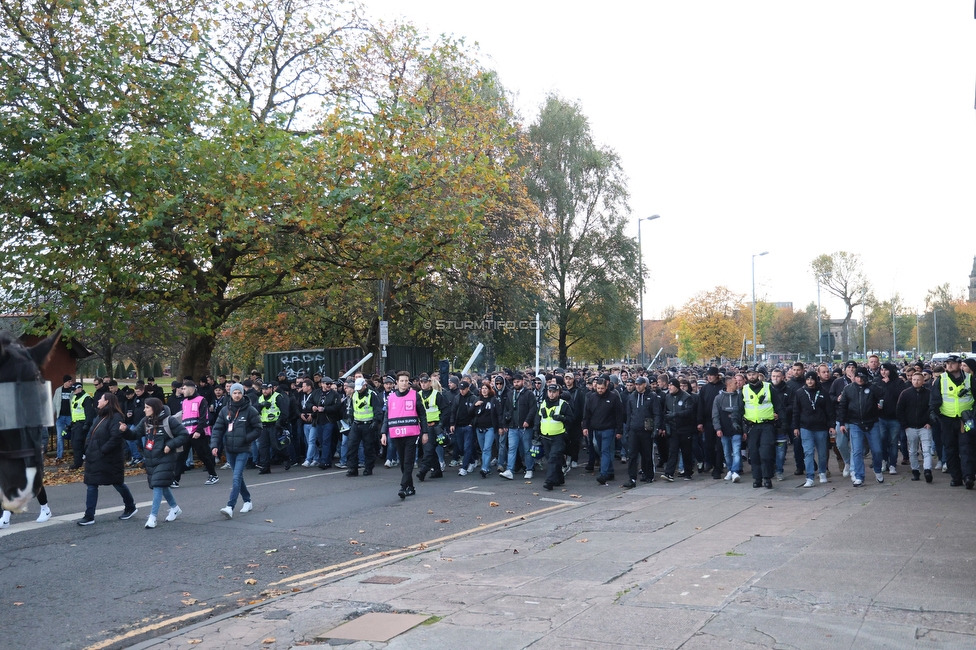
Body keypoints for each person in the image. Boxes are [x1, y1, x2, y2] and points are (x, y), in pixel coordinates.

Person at [121, 398, 188, 528]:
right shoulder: (146, 421)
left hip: (166, 458)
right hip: (151, 458)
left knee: (158, 485)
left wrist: (170, 445)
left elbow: (184, 434)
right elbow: (134, 434)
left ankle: (152, 517)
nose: (144, 409)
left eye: (147, 407)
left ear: (155, 408)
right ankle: (174, 508)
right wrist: (125, 431)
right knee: (161, 485)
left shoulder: (169, 420)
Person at [77, 393, 138, 525]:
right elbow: (92, 434)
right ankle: (89, 515)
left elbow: (115, 438)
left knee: (117, 483)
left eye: (101, 399)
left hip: (109, 458)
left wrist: (101, 451)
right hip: (95, 457)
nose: (98, 400)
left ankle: (130, 506)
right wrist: (88, 448)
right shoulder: (100, 415)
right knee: (92, 484)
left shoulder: (115, 417)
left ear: (107, 402)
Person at [210, 383, 263, 518]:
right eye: (235, 393)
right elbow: (217, 429)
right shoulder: (224, 410)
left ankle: (230, 506)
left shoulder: (250, 410)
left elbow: (258, 428)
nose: (237, 395)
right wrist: (214, 445)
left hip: (243, 449)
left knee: (236, 477)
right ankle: (247, 500)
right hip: (229, 449)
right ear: (231, 394)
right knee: (237, 477)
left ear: (242, 394)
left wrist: (246, 438)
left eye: (239, 392)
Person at [381, 371, 429, 499]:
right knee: (403, 463)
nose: (403, 383)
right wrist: (383, 433)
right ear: (397, 382)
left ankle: (403, 487)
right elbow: (387, 416)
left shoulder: (415, 395)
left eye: (406, 381)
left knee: (408, 462)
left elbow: (422, 415)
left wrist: (425, 433)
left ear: (409, 382)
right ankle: (411, 487)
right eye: (401, 381)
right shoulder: (391, 397)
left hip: (412, 434)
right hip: (396, 434)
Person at [929, 355, 974, 488]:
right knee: (950, 449)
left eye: (952, 363)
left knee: (967, 448)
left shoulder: (969, 379)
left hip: (965, 419)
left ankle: (969, 477)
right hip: (947, 419)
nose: (949, 365)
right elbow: (934, 399)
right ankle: (956, 477)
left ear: (959, 364)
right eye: (947, 363)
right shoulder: (941, 380)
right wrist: (933, 413)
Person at [737, 366, 784, 489]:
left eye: (753, 374)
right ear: (747, 376)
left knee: (766, 453)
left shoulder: (768, 387)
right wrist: (737, 424)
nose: (751, 376)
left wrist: (783, 422)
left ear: (758, 375)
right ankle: (757, 478)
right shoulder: (744, 390)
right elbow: (738, 410)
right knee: (754, 454)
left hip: (767, 425)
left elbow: (779, 406)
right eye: (749, 374)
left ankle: (767, 478)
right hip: (751, 426)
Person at [838, 367, 884, 487]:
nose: (860, 379)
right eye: (857, 377)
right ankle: (859, 476)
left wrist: (870, 384)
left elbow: (882, 394)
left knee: (877, 450)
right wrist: (842, 423)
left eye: (862, 377)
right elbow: (842, 406)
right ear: (854, 377)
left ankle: (877, 469)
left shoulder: (871, 387)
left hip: (872, 422)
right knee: (857, 451)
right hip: (855, 423)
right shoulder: (848, 389)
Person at [172, 380, 218, 487]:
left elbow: (203, 417)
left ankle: (213, 475)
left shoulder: (201, 400)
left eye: (184, 388)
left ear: (191, 389)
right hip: (186, 433)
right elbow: (183, 417)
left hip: (198, 433)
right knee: (181, 456)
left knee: (203, 455)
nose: (182, 391)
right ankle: (175, 479)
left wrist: (198, 431)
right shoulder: (184, 402)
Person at [792, 371, 834, 487]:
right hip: (806, 427)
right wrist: (795, 426)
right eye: (807, 379)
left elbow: (829, 410)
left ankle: (822, 472)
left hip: (821, 427)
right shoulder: (800, 393)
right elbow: (796, 411)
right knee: (808, 452)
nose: (810, 382)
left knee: (822, 452)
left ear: (816, 380)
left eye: (812, 379)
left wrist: (831, 425)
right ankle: (809, 477)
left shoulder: (823, 392)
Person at [582, 376, 624, 485]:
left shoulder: (613, 398)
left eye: (602, 388)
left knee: (605, 450)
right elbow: (587, 413)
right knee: (599, 449)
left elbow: (619, 415)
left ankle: (603, 473)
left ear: (606, 387)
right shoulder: (591, 398)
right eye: (598, 388)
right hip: (595, 429)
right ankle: (609, 470)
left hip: (608, 429)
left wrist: (619, 430)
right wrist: (585, 427)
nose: (600, 390)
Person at [534, 383, 575, 491]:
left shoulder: (563, 404)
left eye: (554, 392)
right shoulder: (543, 403)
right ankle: (559, 478)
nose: (551, 394)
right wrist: (536, 431)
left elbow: (571, 419)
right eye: (550, 392)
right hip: (545, 436)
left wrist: (562, 418)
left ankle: (549, 481)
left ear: (558, 393)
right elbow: (538, 418)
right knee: (552, 459)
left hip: (558, 436)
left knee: (553, 458)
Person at [897, 371, 933, 482]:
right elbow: (899, 410)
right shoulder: (905, 393)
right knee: (912, 450)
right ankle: (915, 471)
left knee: (926, 450)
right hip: (910, 427)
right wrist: (905, 425)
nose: (916, 382)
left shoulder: (929, 393)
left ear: (923, 381)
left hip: (925, 426)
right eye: (914, 379)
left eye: (918, 380)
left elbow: (933, 408)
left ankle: (927, 470)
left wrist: (931, 422)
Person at [346, 377, 383, 477]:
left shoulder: (372, 394)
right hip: (356, 424)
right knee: (351, 446)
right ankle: (353, 468)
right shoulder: (355, 394)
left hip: (368, 425)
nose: (358, 389)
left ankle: (368, 468)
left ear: (365, 385)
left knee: (368, 448)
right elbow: (353, 407)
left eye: (360, 387)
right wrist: (350, 417)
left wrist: (376, 421)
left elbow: (378, 409)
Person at [662, 378, 697, 482]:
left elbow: (689, 411)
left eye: (671, 386)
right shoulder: (667, 397)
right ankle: (669, 473)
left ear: (676, 386)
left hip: (685, 429)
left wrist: (675, 415)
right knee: (672, 451)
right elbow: (665, 411)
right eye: (669, 385)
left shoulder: (687, 397)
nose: (669, 387)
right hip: (673, 429)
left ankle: (688, 472)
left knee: (686, 452)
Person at [416, 374, 448, 481]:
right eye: (422, 382)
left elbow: (445, 411)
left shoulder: (437, 395)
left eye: (426, 382)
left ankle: (423, 471)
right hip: (422, 426)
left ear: (430, 383)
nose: (424, 384)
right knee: (429, 449)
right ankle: (437, 470)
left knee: (428, 449)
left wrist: (441, 425)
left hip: (434, 425)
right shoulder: (418, 395)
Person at [713, 375, 743, 483]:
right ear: (729, 384)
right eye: (735, 383)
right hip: (724, 430)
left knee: (736, 451)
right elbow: (715, 415)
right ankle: (730, 469)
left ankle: (735, 471)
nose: (738, 384)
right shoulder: (719, 398)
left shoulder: (740, 397)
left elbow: (743, 413)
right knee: (726, 452)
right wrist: (718, 428)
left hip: (736, 429)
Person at [256, 382, 291, 474]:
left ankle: (287, 458)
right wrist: (261, 405)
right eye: (263, 389)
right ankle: (265, 467)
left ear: (271, 389)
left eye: (266, 389)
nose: (265, 391)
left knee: (276, 446)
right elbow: (255, 410)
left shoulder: (278, 397)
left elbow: (285, 411)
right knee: (263, 447)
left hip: (275, 425)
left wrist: (280, 422)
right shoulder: (260, 398)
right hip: (263, 425)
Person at [472, 383, 500, 478]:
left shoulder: (493, 400)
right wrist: (475, 405)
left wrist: (500, 426)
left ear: (489, 390)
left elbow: (498, 414)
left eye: (486, 388)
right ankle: (487, 468)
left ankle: (484, 468)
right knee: (483, 448)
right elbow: (470, 412)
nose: (484, 390)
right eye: (482, 388)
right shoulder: (477, 399)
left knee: (487, 448)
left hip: (490, 428)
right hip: (479, 428)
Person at [68, 382, 95, 469]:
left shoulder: (86, 398)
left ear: (80, 388)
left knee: (77, 443)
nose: (73, 391)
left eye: (74, 389)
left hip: (82, 424)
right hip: (75, 424)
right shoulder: (75, 397)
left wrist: (86, 424)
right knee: (74, 443)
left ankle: (78, 463)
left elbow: (89, 413)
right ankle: (82, 458)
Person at [52, 374, 75, 463]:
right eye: (69, 381)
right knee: (59, 436)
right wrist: (52, 415)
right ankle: (59, 455)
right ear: (65, 382)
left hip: (70, 417)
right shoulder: (58, 390)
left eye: (71, 381)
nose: (71, 383)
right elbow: (54, 403)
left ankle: (76, 453)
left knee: (73, 435)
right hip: (60, 417)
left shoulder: (73, 391)